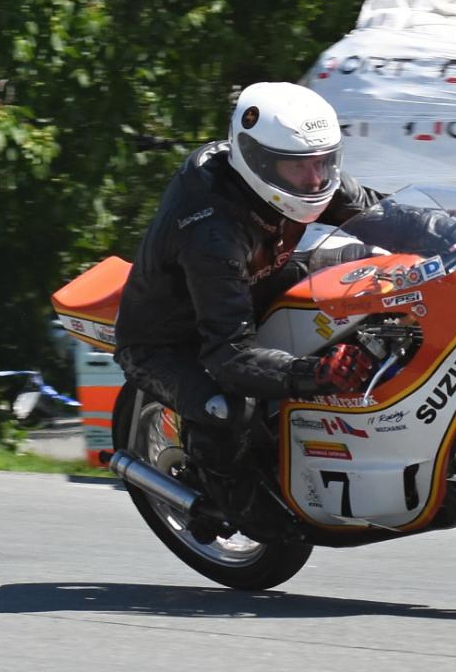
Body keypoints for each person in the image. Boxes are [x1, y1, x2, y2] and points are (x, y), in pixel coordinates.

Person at [113, 82, 382, 534]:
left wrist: (454, 231)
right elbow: (229, 354)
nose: (315, 180)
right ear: (258, 162)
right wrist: (316, 374)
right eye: (300, 167)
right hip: (170, 341)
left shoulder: (302, 174)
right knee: (227, 409)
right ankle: (226, 499)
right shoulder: (211, 230)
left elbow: (380, 214)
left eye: (323, 162)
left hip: (251, 290)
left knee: (359, 277)